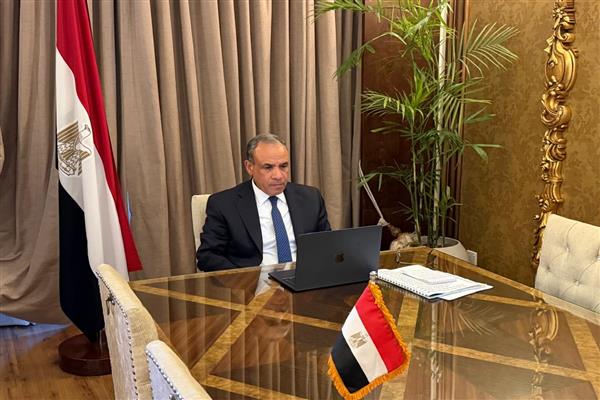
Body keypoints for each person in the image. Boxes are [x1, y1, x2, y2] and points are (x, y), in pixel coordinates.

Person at [196, 134, 331, 271]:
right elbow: (208, 256)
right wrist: (246, 279)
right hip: (254, 281)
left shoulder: (311, 198)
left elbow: (327, 246)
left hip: (304, 277)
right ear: (249, 167)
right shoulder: (224, 204)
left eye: (283, 166)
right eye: (268, 167)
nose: (278, 175)